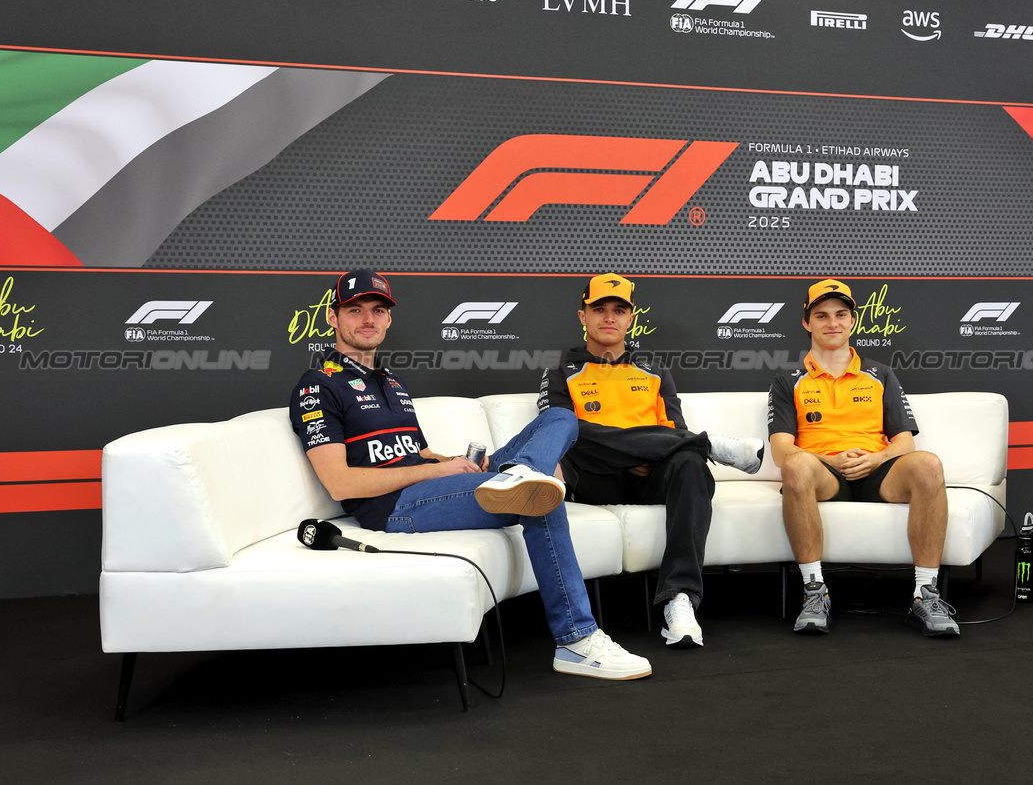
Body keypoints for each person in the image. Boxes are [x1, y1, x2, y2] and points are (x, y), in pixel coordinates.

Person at [290, 268, 652, 680]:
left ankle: (519, 473)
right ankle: (576, 640)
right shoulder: (317, 385)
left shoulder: (391, 381)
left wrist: (457, 464)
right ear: (333, 318)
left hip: (433, 484)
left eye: (377, 310)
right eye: (355, 310)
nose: (367, 319)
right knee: (540, 496)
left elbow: (418, 452)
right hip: (394, 509)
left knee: (559, 417)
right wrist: (439, 471)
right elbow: (341, 483)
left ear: (389, 320)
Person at [539, 273, 764, 648]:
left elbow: (676, 431)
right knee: (570, 427)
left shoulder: (654, 369)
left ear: (630, 319)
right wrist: (642, 449)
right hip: (593, 477)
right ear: (583, 316)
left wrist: (652, 453)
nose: (609, 317)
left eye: (618, 310)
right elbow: (558, 437)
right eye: (599, 309)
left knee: (691, 463)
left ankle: (680, 600)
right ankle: (712, 445)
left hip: (649, 478)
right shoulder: (560, 371)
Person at [767, 279, 960, 638]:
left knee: (929, 464)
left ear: (853, 321)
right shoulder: (788, 379)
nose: (832, 323)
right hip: (823, 473)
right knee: (794, 466)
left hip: (877, 471)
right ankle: (814, 592)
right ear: (807, 323)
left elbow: (905, 443)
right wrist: (832, 460)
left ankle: (925, 595)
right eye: (821, 315)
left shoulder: (880, 374)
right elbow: (781, 450)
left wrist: (876, 459)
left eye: (841, 314)